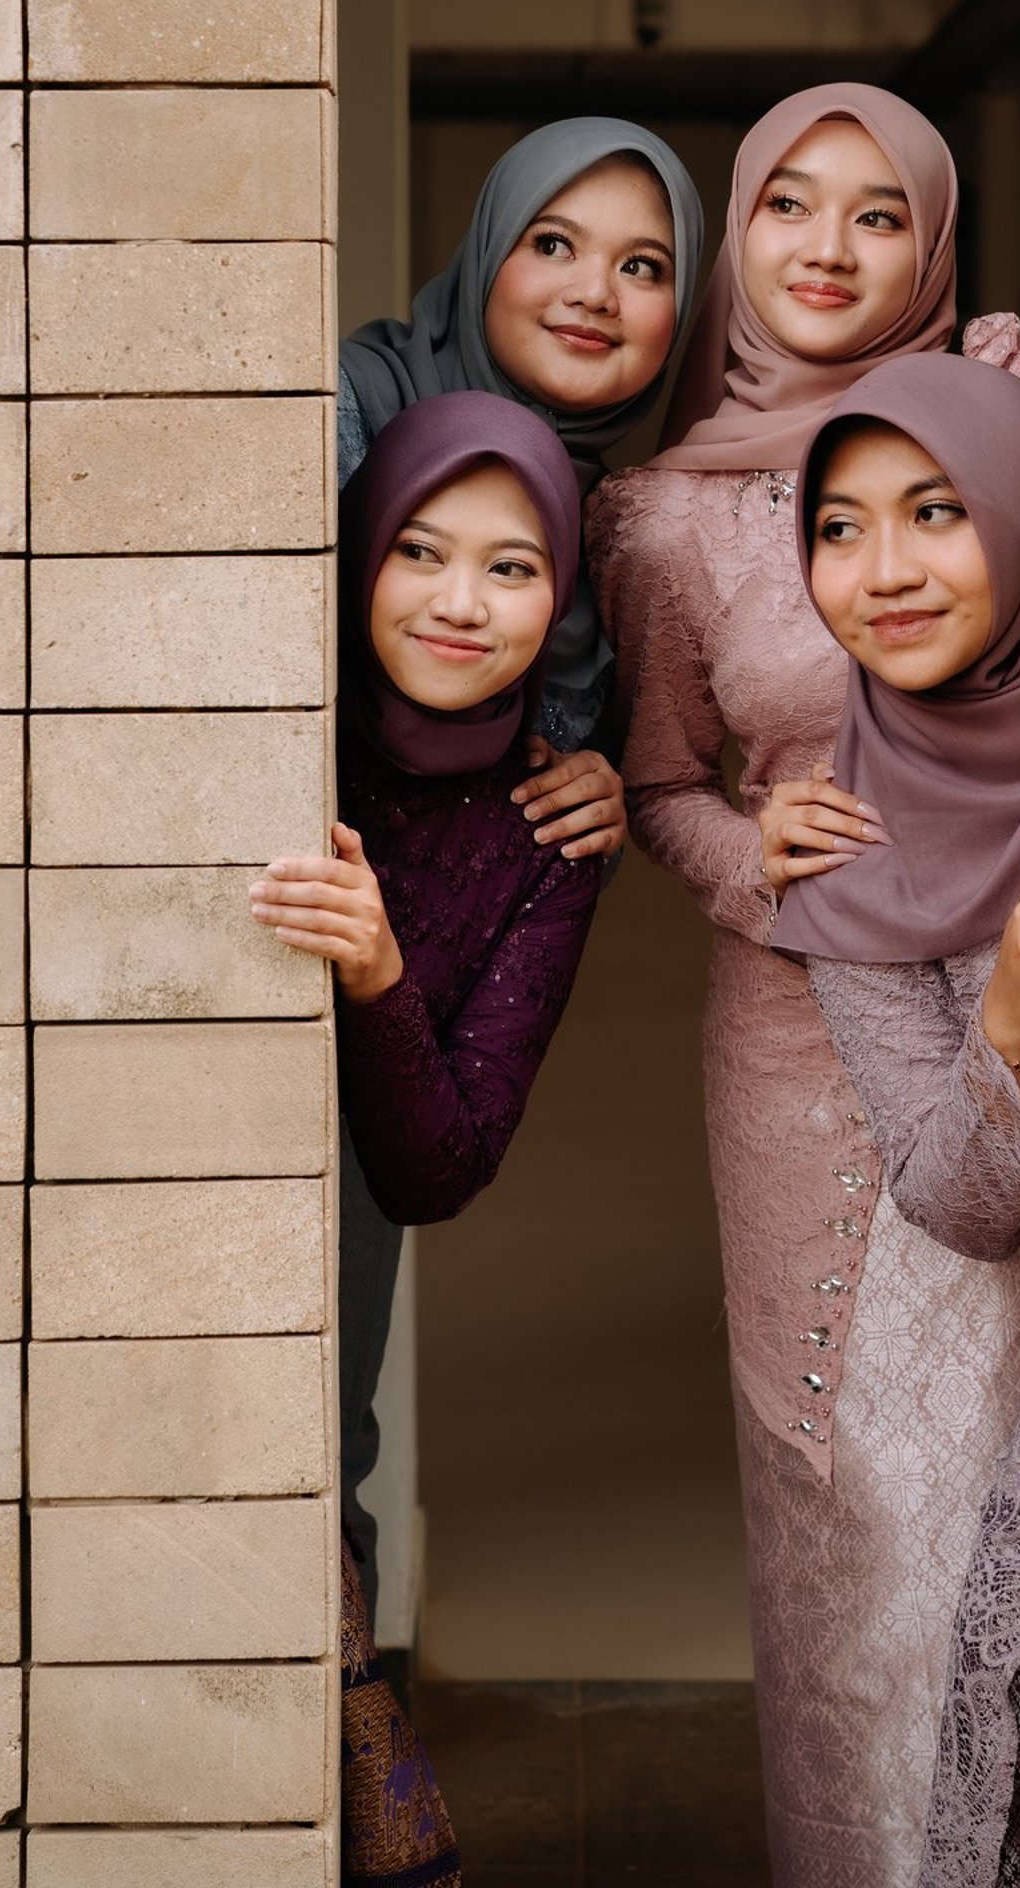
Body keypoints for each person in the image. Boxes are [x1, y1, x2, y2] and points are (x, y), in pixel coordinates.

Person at [585, 82, 1020, 1888]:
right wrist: (748, 861)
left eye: (875, 214)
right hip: (794, 1047)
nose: (829, 249)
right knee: (848, 1489)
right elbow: (650, 784)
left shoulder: (1011, 412)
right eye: (790, 206)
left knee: (1003, 1476)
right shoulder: (666, 514)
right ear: (739, 241)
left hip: (1006, 991)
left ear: (931, 241)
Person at [781, 353, 1020, 1886]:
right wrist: (1010, 1015)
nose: (882, 573)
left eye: (934, 512)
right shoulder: (838, 839)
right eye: (839, 528)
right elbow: (949, 1199)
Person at [252, 392, 604, 1634]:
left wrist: (377, 972)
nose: (460, 604)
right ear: (359, 555)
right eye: (418, 550)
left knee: (315, 1492)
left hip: (339, 1259)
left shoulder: (552, 830)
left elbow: (435, 1173)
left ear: (557, 597)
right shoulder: (265, 737)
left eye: (511, 568)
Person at [339, 117, 705, 871]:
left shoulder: (621, 531)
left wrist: (603, 796)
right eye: (552, 244)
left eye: (642, 267)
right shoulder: (343, 412)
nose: (596, 293)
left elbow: (548, 852)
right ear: (488, 253)